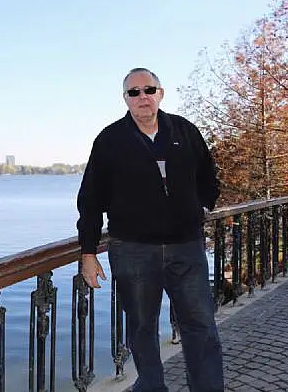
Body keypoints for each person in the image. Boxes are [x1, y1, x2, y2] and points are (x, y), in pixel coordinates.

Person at [76, 67, 225, 392]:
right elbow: (90, 199)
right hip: (133, 250)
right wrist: (88, 252)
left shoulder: (184, 131)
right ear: (125, 98)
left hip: (186, 247)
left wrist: (200, 207)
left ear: (160, 93)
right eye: (134, 92)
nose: (142, 97)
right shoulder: (110, 140)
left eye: (148, 90)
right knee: (143, 329)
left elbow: (208, 176)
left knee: (201, 325)